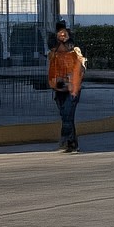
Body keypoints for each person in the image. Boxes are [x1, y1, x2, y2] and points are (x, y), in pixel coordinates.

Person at [47, 20, 86, 152]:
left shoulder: (75, 53)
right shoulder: (54, 55)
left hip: (72, 89)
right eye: (60, 35)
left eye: (65, 34)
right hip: (59, 90)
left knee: (68, 115)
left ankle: (65, 140)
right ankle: (72, 143)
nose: (63, 36)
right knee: (66, 116)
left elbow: (80, 69)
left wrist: (72, 83)